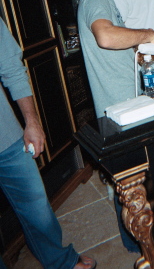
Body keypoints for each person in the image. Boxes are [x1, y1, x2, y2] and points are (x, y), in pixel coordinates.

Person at [77, 0, 154, 254]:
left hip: (128, 99)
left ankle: (147, 242)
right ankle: (141, 248)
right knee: (130, 180)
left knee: (136, 176)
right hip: (118, 105)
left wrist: (140, 50)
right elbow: (105, 36)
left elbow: (115, 43)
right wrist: (148, 34)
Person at [0, 17, 96, 269]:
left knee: (37, 208)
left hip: (6, 137)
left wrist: (31, 122)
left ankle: (62, 262)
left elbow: (10, 66)